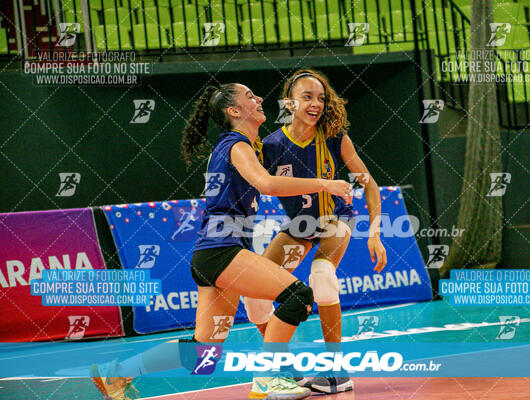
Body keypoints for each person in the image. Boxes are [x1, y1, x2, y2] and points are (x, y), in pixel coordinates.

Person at [91, 82, 354, 400]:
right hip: (221, 250)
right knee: (298, 296)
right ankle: (268, 379)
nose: (258, 99)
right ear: (234, 111)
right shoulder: (236, 144)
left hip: (213, 255)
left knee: (205, 351)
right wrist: (324, 185)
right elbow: (267, 183)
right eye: (249, 96)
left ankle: (117, 372)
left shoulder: (247, 146)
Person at [243, 69, 387, 394]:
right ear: (289, 103)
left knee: (322, 275)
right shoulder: (272, 145)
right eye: (307, 97)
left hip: (335, 219)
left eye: (321, 98)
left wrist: (375, 232)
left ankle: (337, 372)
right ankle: (283, 369)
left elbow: (371, 186)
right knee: (252, 292)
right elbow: (252, 185)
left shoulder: (334, 136)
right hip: (299, 225)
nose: (316, 103)